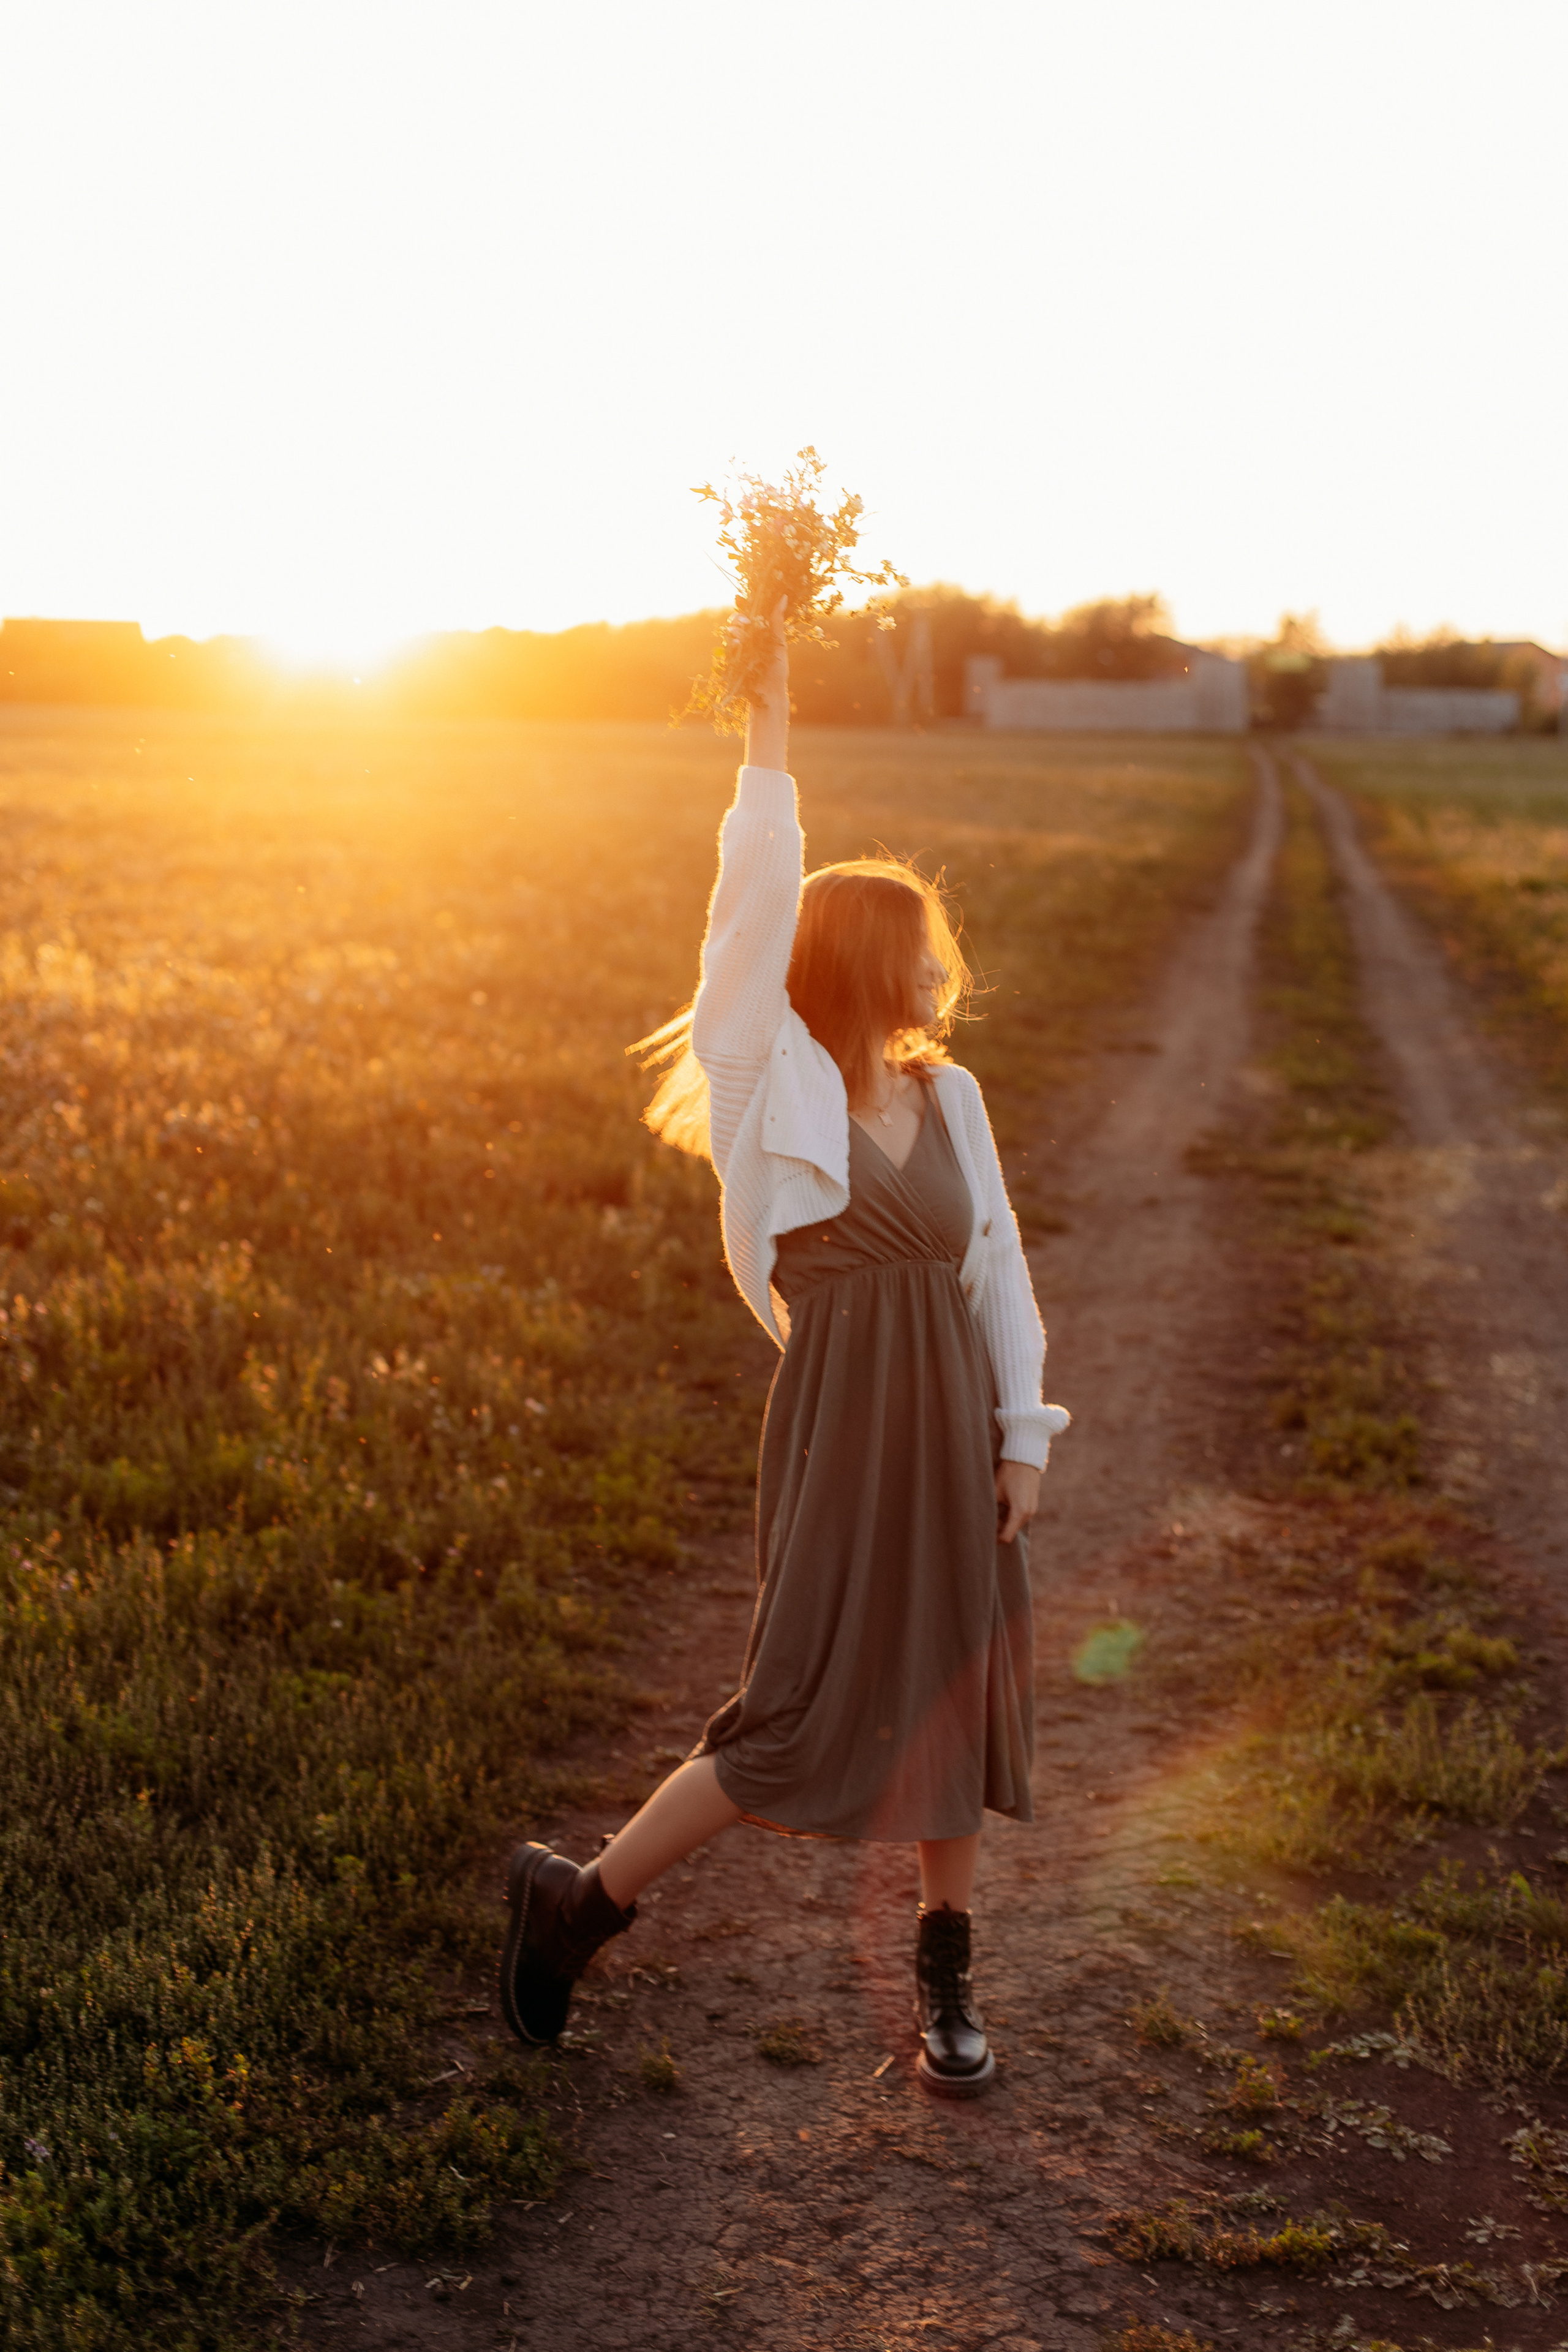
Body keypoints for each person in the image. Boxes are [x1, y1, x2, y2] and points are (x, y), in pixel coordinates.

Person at [499, 605, 1068, 2097]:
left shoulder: (953, 1101)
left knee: (956, 1675)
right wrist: (766, 720)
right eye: (922, 954)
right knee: (793, 1703)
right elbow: (748, 907)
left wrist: (1020, 1439)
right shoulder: (772, 1086)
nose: (944, 975)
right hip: (838, 1412)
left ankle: (947, 1983)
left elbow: (996, 1261)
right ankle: (580, 1904)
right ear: (867, 961)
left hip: (951, 1418)